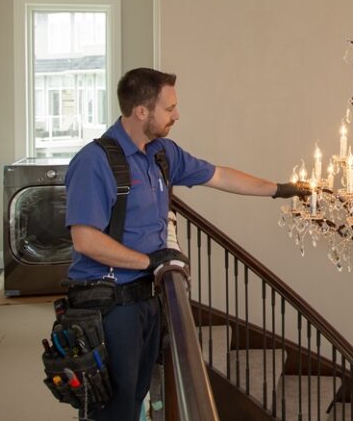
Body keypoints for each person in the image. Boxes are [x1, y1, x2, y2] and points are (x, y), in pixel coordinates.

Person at [64, 67, 308, 421]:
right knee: (112, 411)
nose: (177, 115)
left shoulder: (162, 153)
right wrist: (149, 261)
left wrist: (280, 190)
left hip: (148, 298)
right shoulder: (95, 161)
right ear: (142, 111)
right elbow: (85, 239)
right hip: (110, 306)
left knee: (135, 399)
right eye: (169, 108)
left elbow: (219, 175)